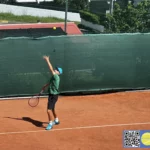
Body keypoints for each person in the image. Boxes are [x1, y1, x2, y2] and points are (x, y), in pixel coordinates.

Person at [43, 55, 63, 130]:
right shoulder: (54, 77)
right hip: (53, 95)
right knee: (53, 108)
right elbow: (51, 82)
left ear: (58, 72)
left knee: (48, 110)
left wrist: (47, 60)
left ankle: (50, 123)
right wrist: (46, 85)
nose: (55, 69)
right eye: (55, 69)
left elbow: (51, 69)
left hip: (53, 96)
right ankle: (56, 120)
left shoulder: (56, 76)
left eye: (56, 69)